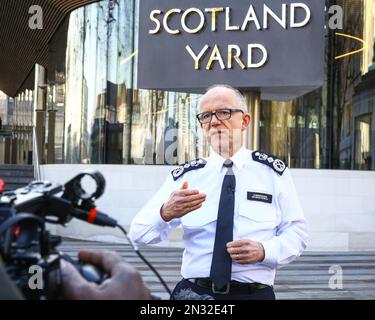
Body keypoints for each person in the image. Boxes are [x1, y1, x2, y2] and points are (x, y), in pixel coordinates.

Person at [129, 84, 308, 300]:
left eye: (223, 112)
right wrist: (165, 212)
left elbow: (296, 234)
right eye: (205, 116)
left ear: (245, 121)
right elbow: (137, 234)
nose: (214, 121)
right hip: (194, 295)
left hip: (253, 295)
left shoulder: (272, 173)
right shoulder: (186, 177)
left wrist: (264, 250)